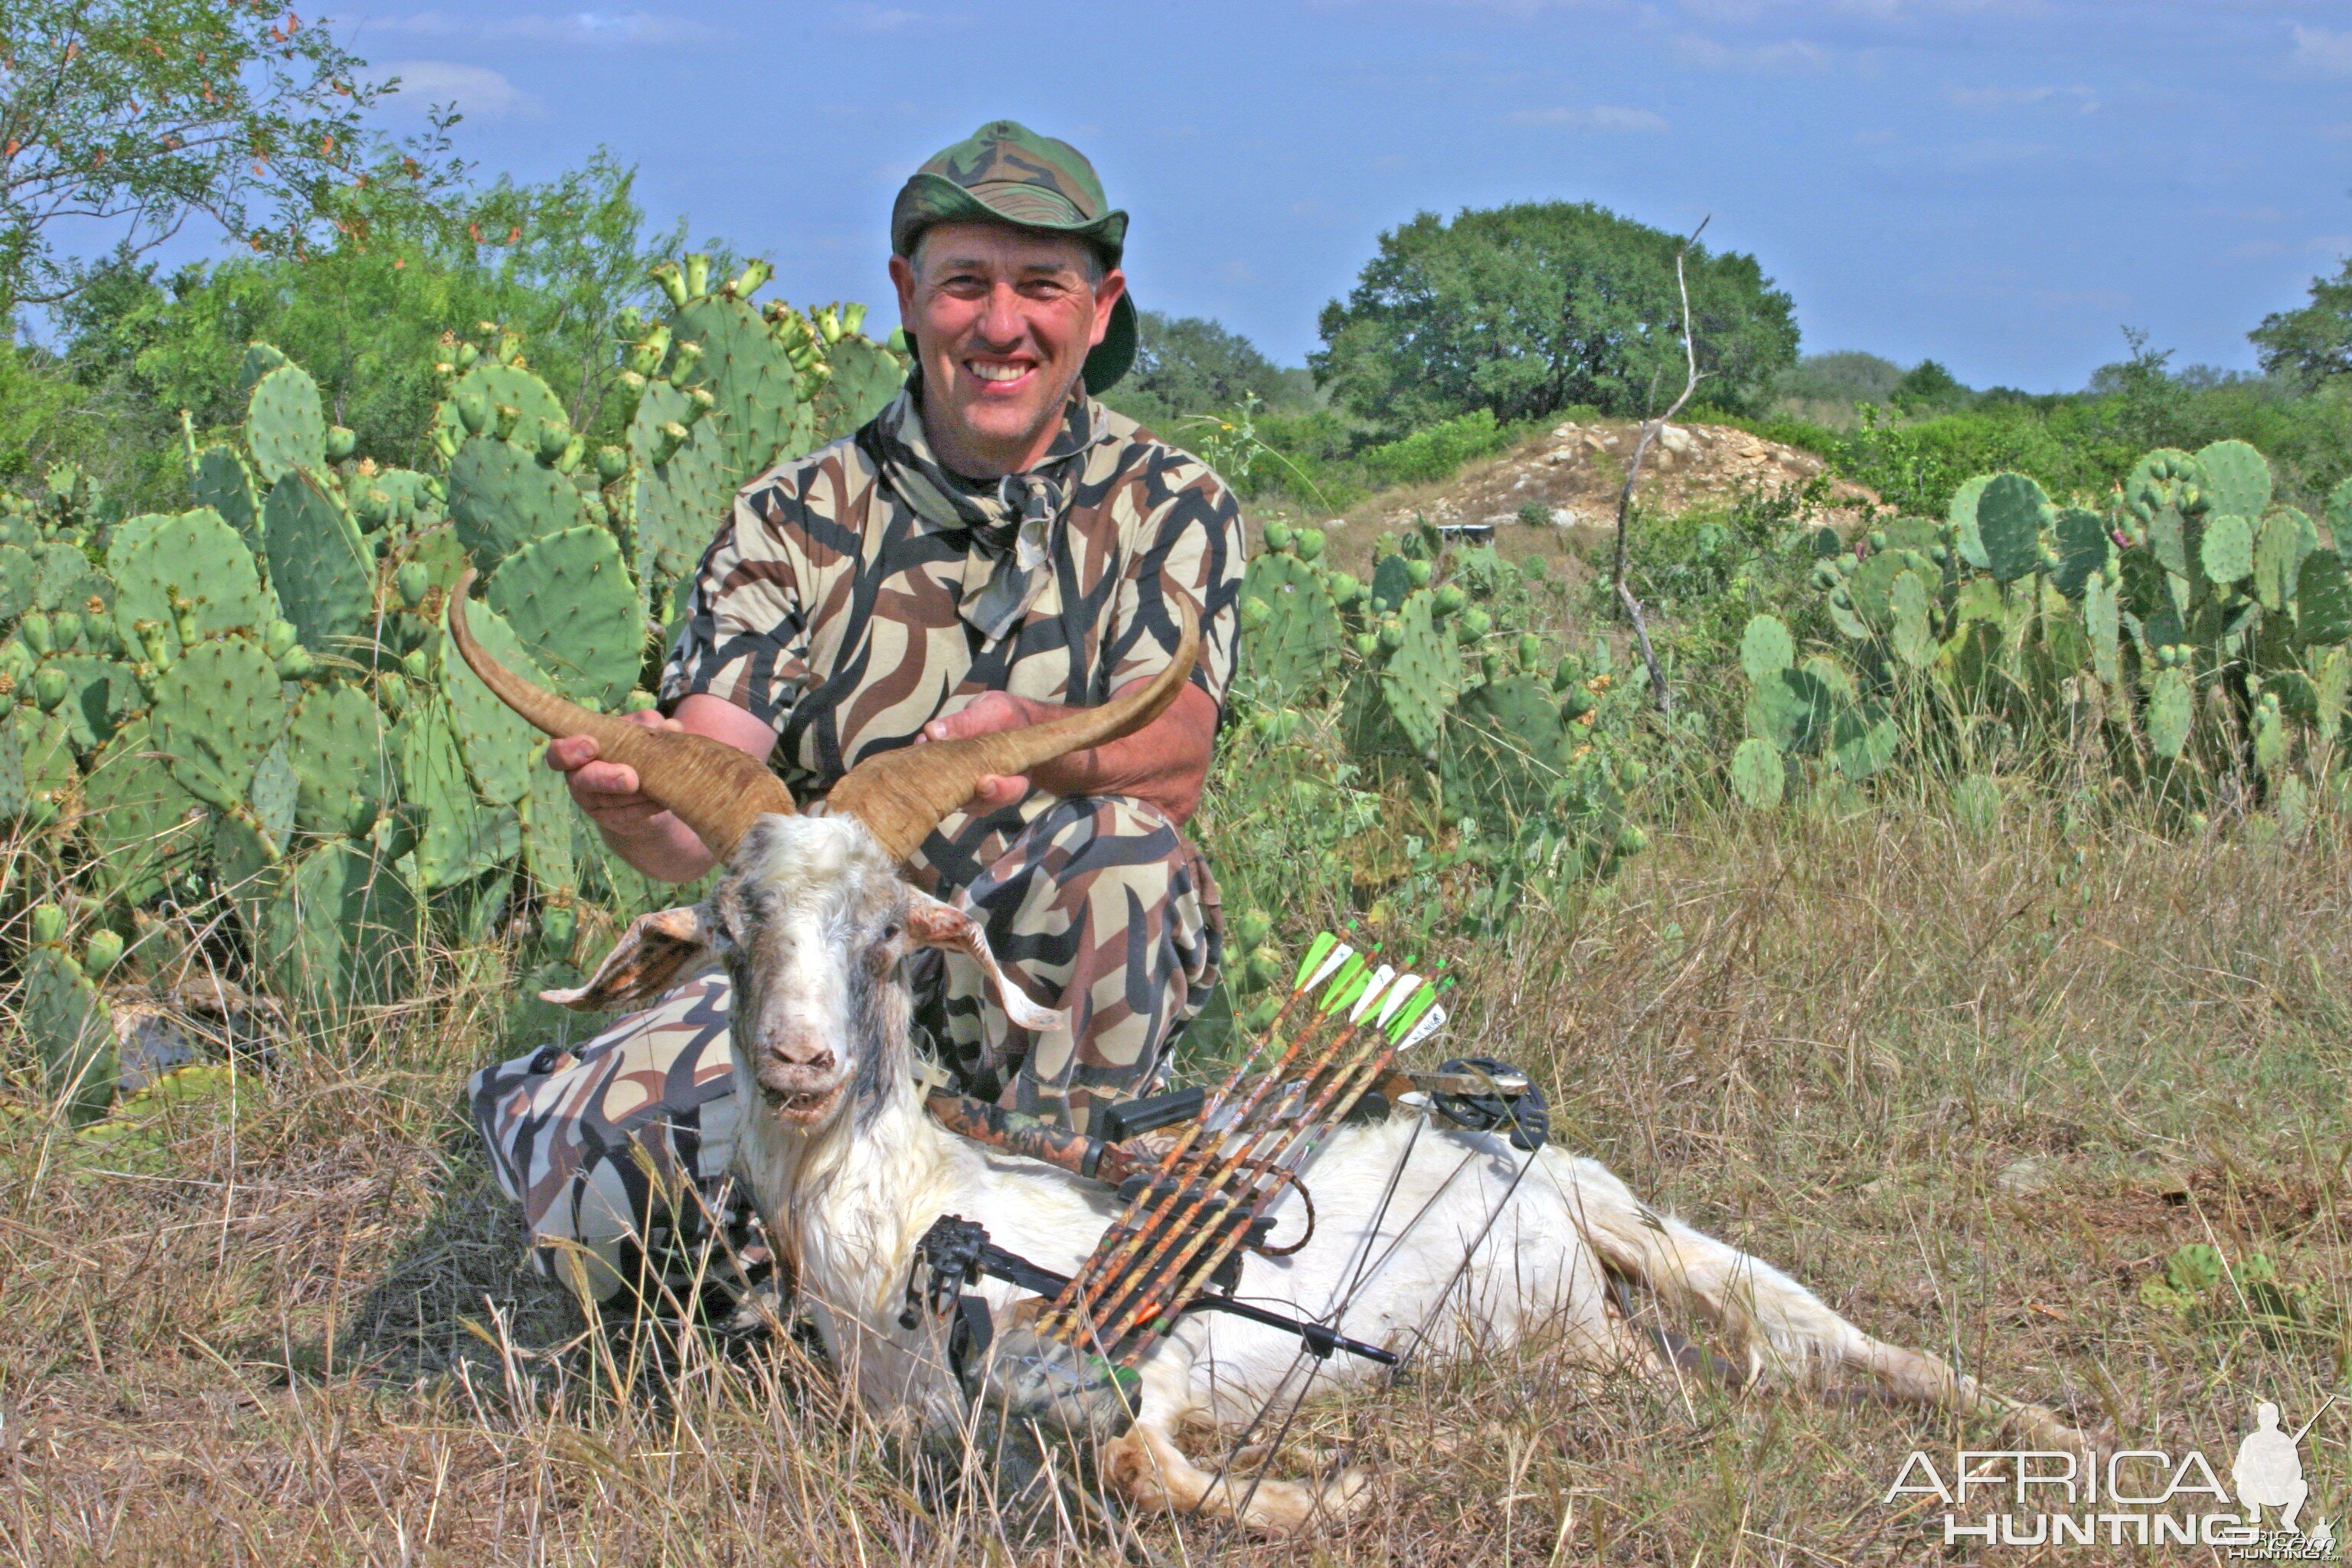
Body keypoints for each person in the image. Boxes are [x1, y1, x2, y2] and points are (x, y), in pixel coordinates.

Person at [468, 121, 1246, 1308]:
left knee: (1128, 851)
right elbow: (708, 793)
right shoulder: (786, 519)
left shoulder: (1171, 504)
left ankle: (1065, 1256)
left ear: (1101, 305)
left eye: (1042, 285)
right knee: (611, 1222)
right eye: (965, 284)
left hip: (1020, 969)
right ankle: (583, 1126)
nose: (1002, 325)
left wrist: (1024, 741)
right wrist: (641, 811)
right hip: (809, 967)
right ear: (906, 294)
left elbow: (1176, 757)